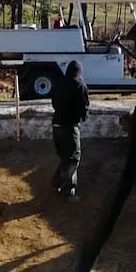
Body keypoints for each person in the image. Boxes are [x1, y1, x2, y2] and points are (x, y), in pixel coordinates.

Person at [50, 61, 90, 203]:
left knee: (64, 157)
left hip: (56, 126)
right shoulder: (80, 85)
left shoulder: (59, 83)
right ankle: (69, 192)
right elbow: (84, 106)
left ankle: (56, 183)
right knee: (73, 158)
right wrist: (83, 117)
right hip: (70, 127)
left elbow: (54, 103)